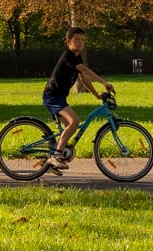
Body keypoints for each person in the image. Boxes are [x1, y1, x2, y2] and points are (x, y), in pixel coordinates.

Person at [43, 27, 107, 166]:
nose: (80, 43)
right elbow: (84, 70)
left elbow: (84, 79)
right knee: (74, 122)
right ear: (68, 41)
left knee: (69, 127)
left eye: (83, 40)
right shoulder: (68, 56)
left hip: (60, 97)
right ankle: (55, 156)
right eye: (76, 39)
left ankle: (51, 161)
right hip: (53, 96)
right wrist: (103, 82)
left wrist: (96, 94)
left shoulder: (77, 57)